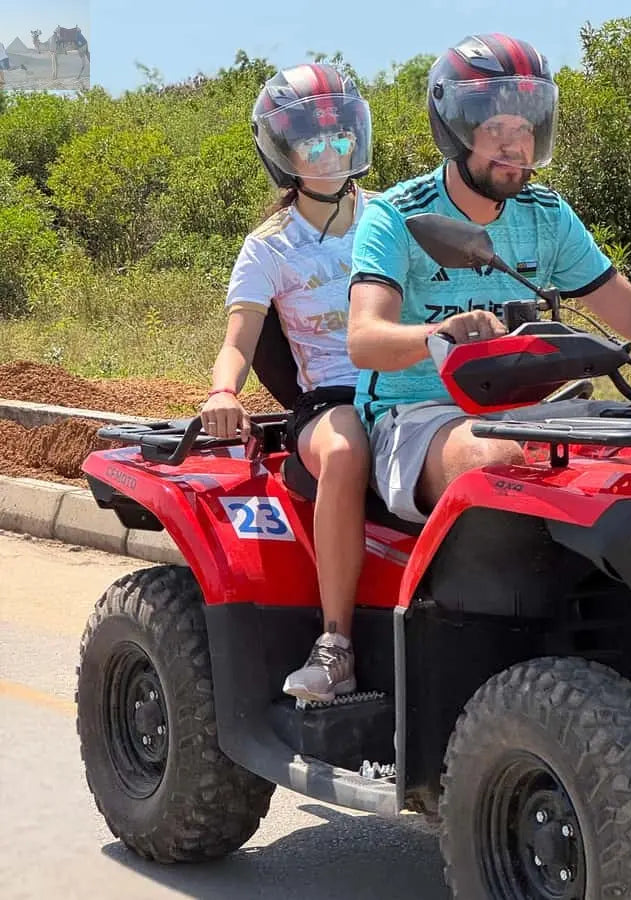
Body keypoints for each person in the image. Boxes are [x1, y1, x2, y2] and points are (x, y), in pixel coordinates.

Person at [347, 33, 631, 524]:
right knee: (498, 467)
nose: (514, 144)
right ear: (456, 130)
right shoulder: (398, 214)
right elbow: (364, 340)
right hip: (416, 416)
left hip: (528, 412)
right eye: (495, 126)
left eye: (525, 127)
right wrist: (439, 334)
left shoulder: (545, 213)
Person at [201, 62, 374, 703]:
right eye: (312, 140)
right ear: (284, 152)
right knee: (348, 448)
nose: (330, 151)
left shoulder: (392, 220)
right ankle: (337, 645)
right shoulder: (269, 246)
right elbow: (238, 340)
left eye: (340, 137)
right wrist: (224, 393)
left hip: (412, 388)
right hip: (332, 400)